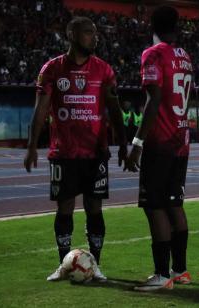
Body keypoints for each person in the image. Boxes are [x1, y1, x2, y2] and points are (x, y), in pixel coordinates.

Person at [24, 16, 127, 282]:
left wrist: (124, 144)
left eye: (95, 32)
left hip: (95, 153)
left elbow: (114, 110)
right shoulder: (51, 70)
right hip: (64, 153)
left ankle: (96, 264)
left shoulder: (104, 70)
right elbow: (41, 109)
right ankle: (64, 264)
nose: (95, 37)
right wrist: (32, 145)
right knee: (64, 209)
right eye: (88, 32)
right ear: (71, 34)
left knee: (95, 208)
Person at [125, 6, 193, 291]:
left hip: (161, 142)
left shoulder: (153, 54)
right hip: (182, 141)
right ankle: (180, 270)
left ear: (151, 24)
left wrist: (137, 143)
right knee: (174, 203)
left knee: (154, 207)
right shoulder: (185, 56)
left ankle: (162, 275)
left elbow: (153, 100)